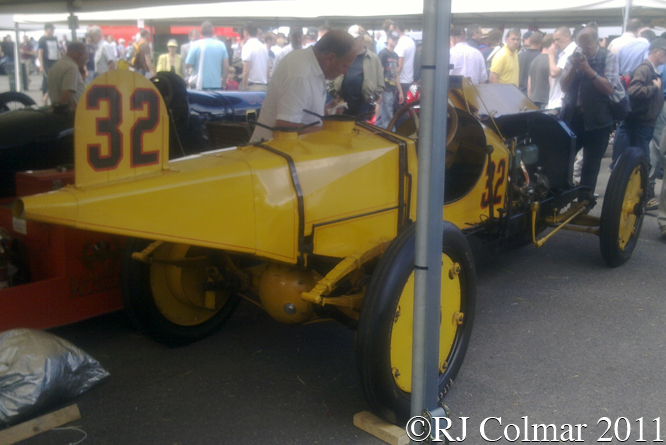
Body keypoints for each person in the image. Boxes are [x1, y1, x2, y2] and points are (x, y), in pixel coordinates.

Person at [250, 29, 357, 143]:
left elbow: (298, 113)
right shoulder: (300, 74)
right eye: (345, 66)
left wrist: (323, 112)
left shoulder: (309, 64)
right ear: (330, 58)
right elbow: (285, 128)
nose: (346, 72)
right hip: (271, 155)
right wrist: (330, 131)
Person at [560, 27, 619, 200]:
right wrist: (573, 68)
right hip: (573, 117)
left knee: (591, 165)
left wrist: (589, 70)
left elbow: (609, 88)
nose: (584, 51)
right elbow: (563, 87)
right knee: (564, 159)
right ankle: (560, 197)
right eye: (580, 46)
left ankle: (584, 202)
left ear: (597, 42)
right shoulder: (573, 57)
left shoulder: (609, 57)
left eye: (588, 47)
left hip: (598, 120)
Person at [611, 38, 666, 183]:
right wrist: (654, 88)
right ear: (655, 52)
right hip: (641, 122)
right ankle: (640, 190)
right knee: (642, 158)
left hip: (644, 122)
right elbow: (634, 90)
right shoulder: (645, 69)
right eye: (664, 53)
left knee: (641, 157)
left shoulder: (651, 69)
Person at [332, 25, 384, 116]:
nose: (352, 41)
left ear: (362, 39)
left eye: (355, 39)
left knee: (359, 128)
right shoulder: (342, 55)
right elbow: (331, 77)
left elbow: (380, 84)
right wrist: (335, 94)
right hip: (342, 105)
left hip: (363, 106)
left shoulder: (373, 59)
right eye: (350, 38)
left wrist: (371, 97)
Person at [186, 21, 229, 90]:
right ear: (212, 32)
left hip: (199, 85)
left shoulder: (195, 45)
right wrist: (223, 82)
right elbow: (226, 67)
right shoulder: (221, 45)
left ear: (201, 32)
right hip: (216, 85)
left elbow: (188, 65)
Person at [47, 42, 87, 111]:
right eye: (86, 58)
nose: (85, 62)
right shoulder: (71, 68)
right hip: (70, 114)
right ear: (79, 55)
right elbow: (66, 98)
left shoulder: (57, 65)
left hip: (56, 110)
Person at [547, 26, 577, 111]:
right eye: (554, 40)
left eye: (558, 39)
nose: (555, 43)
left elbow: (554, 72)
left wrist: (551, 55)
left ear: (567, 36)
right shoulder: (564, 52)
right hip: (557, 100)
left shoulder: (571, 51)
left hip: (561, 102)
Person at [375, 30, 401, 129]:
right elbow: (379, 74)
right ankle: (391, 136)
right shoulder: (383, 54)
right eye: (393, 39)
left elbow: (396, 74)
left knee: (383, 117)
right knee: (388, 118)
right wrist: (380, 91)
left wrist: (400, 91)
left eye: (396, 39)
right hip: (385, 89)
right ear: (388, 39)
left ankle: (375, 135)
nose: (394, 41)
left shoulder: (395, 55)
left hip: (391, 90)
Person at [241, 22, 269, 91]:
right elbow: (268, 69)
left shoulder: (247, 46)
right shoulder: (263, 47)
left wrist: (244, 87)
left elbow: (246, 70)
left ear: (245, 32)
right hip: (264, 86)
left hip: (252, 87)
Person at [528, 33, 553, 109]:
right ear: (552, 44)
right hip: (545, 103)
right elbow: (552, 85)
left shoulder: (534, 61)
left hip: (532, 102)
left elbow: (529, 85)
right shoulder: (551, 62)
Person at [394, 20, 415, 105]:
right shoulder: (411, 41)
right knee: (405, 108)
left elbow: (400, 65)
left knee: (400, 110)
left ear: (397, 29)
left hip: (401, 81)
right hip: (409, 79)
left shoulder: (401, 43)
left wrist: (394, 78)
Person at [38, 23, 60, 104]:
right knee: (47, 79)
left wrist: (59, 60)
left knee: (54, 79)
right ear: (47, 29)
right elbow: (40, 52)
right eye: (52, 29)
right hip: (46, 62)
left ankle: (49, 96)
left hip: (54, 61)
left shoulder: (54, 38)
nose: (53, 31)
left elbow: (57, 50)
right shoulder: (42, 39)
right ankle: (45, 96)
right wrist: (41, 65)